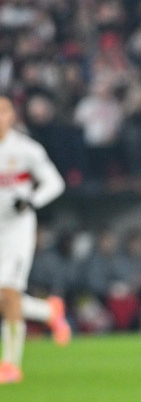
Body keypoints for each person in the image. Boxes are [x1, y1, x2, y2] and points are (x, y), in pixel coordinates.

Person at [0, 96, 71, 384]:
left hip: (17, 229)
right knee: (4, 297)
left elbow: (55, 182)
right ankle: (48, 310)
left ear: (11, 116)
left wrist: (31, 200)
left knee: (8, 292)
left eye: (3, 111)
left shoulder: (26, 149)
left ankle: (10, 365)